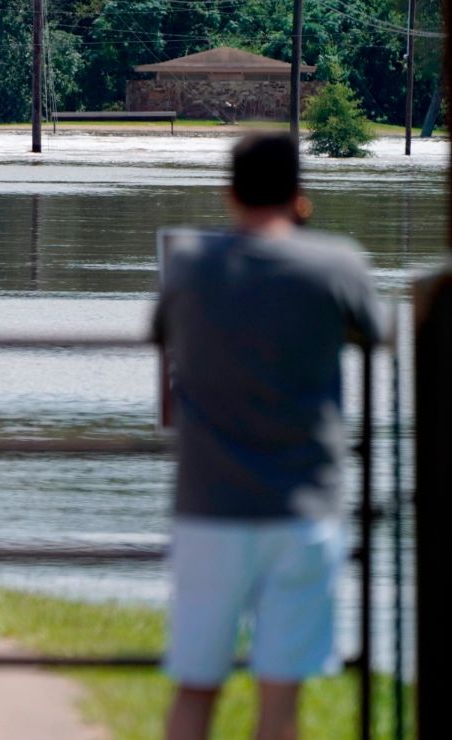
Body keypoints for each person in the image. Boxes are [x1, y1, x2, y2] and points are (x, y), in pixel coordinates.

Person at [153, 133, 383, 740]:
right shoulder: (338, 264)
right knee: (281, 702)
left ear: (229, 194)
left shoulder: (191, 266)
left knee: (195, 688)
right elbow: (373, 333)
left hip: (209, 507)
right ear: (300, 197)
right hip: (303, 506)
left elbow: (160, 332)